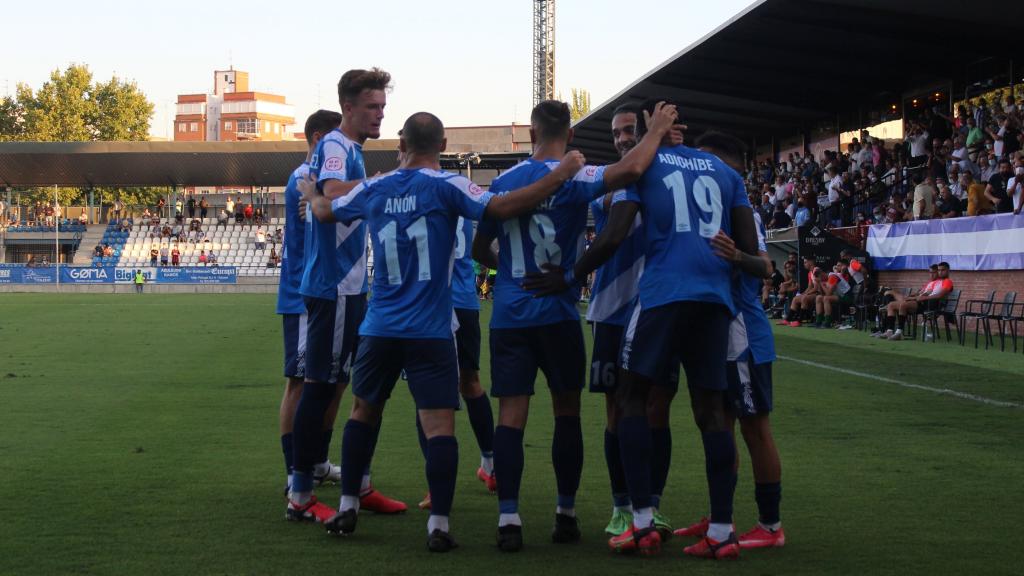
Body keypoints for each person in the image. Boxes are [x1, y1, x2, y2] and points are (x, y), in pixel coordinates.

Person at [302, 110, 587, 551]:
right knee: (439, 427)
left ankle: (347, 505)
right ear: (444, 146)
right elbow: (502, 206)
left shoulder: (374, 187)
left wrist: (309, 191)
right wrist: (561, 173)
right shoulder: (448, 185)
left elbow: (324, 211)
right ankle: (438, 526)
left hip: (379, 326)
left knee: (362, 412)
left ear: (402, 145)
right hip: (431, 329)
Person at [472, 98, 681, 553]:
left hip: (510, 315)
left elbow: (478, 248)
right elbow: (629, 171)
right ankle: (565, 514)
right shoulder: (579, 175)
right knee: (566, 412)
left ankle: (509, 518)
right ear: (570, 135)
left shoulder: (502, 183)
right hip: (558, 313)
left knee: (511, 416)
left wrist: (511, 272)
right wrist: (656, 133)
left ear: (531, 134)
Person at [595, 99, 757, 558]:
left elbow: (613, 233)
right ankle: (722, 531)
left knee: (630, 399)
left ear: (653, 127)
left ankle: (642, 522)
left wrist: (570, 276)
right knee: (711, 411)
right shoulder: (725, 172)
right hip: (714, 300)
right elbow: (750, 251)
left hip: (662, 294)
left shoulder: (642, 165)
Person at [289, 69, 405, 526]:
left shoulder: (350, 150)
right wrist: (382, 182)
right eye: (373, 106)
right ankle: (300, 495)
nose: (380, 114)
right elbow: (333, 194)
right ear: (348, 108)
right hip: (334, 286)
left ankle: (357, 485)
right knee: (319, 388)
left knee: (344, 387)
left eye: (383, 106)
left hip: (349, 287)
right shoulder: (336, 146)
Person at [275, 110, 345, 522]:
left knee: (333, 380)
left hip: (329, 291)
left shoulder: (321, 176)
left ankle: (315, 463)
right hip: (304, 293)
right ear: (318, 138)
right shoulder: (304, 177)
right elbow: (318, 211)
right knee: (301, 382)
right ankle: (294, 471)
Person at [416, 211, 499, 510]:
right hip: (463, 300)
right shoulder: (460, 200)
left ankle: (436, 484)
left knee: (429, 394)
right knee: (470, 383)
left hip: (434, 304)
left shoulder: (428, 198)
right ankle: (491, 465)